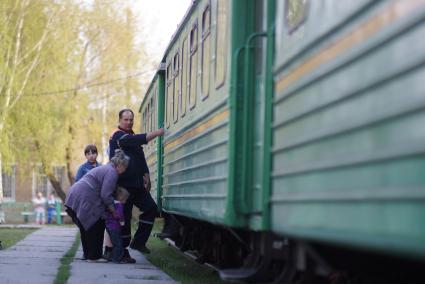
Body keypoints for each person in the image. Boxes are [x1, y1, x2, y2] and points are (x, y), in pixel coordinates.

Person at [109, 108, 164, 260]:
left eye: (131, 119)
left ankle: (139, 242)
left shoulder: (131, 136)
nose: (129, 122)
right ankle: (122, 252)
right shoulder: (118, 136)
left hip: (137, 185)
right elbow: (139, 139)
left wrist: (146, 173)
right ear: (120, 120)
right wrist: (158, 133)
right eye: (126, 119)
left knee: (151, 208)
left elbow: (140, 157)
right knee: (124, 219)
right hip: (122, 186)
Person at [65, 150, 129, 262]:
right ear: (121, 165)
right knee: (97, 223)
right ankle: (94, 256)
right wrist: (113, 211)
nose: (125, 171)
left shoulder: (106, 168)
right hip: (84, 197)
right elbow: (105, 195)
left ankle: (88, 254)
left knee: (86, 226)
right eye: (125, 168)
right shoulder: (112, 172)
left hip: (74, 195)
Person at [105, 186, 130, 263]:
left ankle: (113, 257)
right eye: (125, 200)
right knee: (118, 244)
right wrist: (122, 222)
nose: (125, 202)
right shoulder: (119, 205)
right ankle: (116, 259)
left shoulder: (111, 204)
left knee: (115, 243)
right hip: (115, 227)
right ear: (121, 198)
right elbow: (119, 215)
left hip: (108, 226)